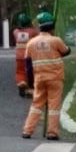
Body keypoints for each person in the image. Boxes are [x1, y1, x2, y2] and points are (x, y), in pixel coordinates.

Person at [22, 12, 72, 140]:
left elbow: (27, 65)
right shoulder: (56, 41)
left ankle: (27, 130)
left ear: (39, 27)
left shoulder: (31, 43)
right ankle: (52, 132)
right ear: (52, 27)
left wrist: (30, 82)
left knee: (36, 104)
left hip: (39, 79)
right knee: (54, 106)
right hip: (55, 79)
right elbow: (66, 52)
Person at [11, 12, 38, 97]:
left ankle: (21, 82)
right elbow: (38, 34)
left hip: (19, 56)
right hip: (29, 56)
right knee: (31, 73)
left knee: (20, 72)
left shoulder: (15, 32)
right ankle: (30, 89)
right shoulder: (33, 32)